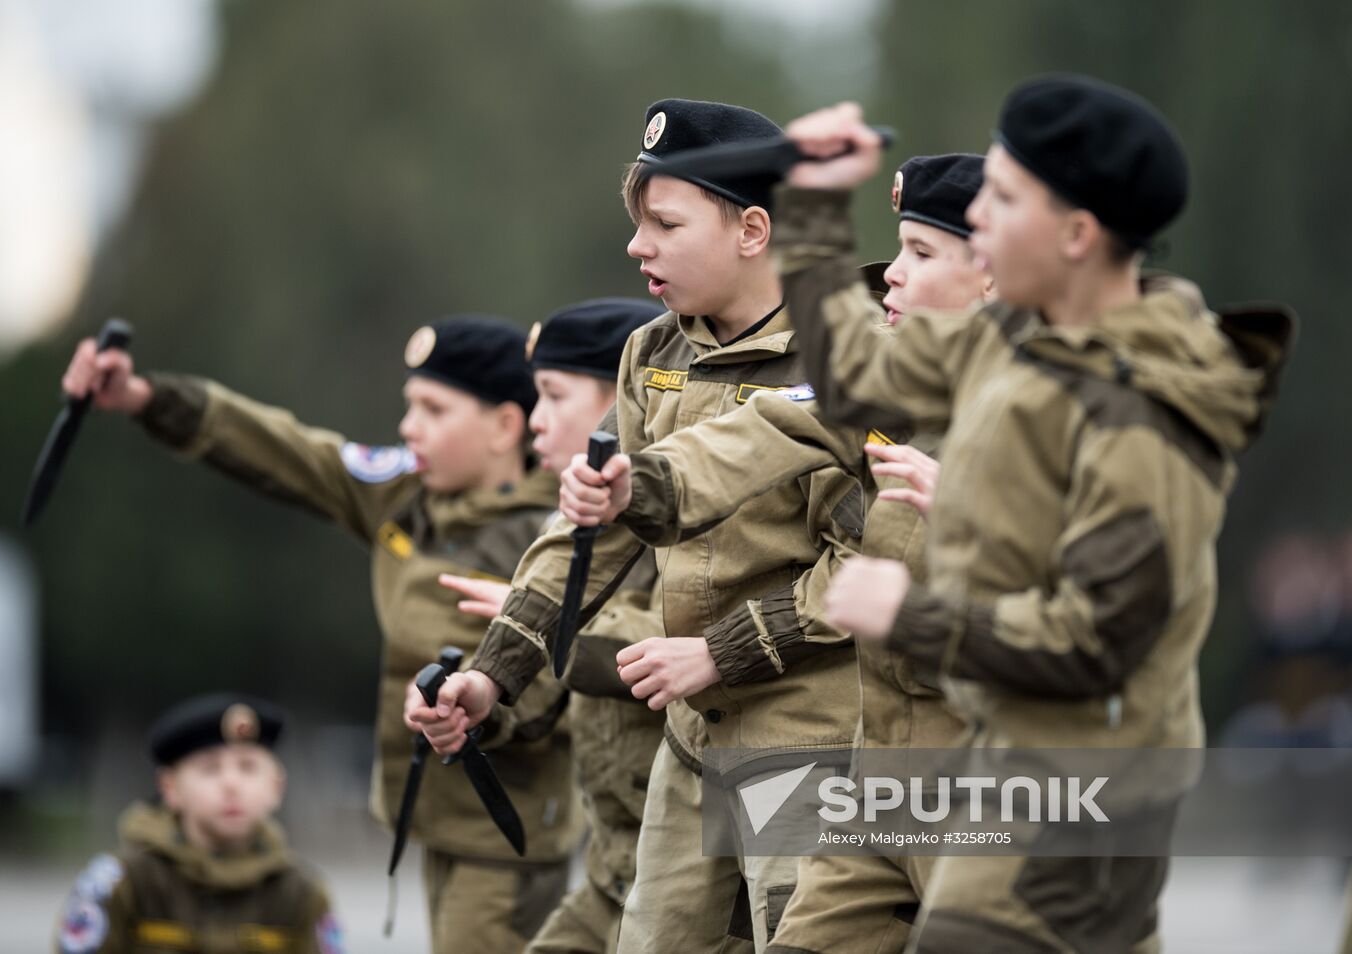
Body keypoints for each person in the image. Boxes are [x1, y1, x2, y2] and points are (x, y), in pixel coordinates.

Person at [760, 76, 1294, 951]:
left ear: (1078, 235)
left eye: (1003, 200)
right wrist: (815, 208)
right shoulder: (1016, 341)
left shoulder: (1143, 418)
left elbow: (1095, 643)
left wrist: (908, 614)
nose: (981, 220)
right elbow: (856, 375)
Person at [410, 98, 866, 952]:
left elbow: (863, 570)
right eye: (637, 224)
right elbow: (594, 529)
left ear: (754, 229)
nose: (636, 246)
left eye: (664, 223)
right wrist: (492, 677)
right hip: (694, 738)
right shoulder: (653, 354)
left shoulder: (845, 355)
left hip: (811, 738)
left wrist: (717, 654)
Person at [557, 153, 991, 954]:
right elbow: (764, 431)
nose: (889, 276)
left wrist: (977, 510)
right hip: (868, 778)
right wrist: (638, 487)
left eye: (921, 255)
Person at [59, 316, 581, 953]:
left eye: (433, 409)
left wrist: (485, 705)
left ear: (504, 426)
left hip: (510, 828)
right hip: (439, 818)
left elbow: (575, 676)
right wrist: (147, 399)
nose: (408, 426)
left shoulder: (555, 534)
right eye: (409, 405)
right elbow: (287, 452)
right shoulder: (407, 497)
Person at [422, 297, 668, 953]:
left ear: (623, 401)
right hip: (615, 871)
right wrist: (480, 708)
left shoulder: (680, 522)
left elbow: (673, 641)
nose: (535, 421)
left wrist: (528, 618)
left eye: (554, 395)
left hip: (687, 869)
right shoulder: (564, 529)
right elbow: (553, 700)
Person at [53, 694, 341, 954]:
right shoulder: (123, 884)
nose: (231, 784)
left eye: (248, 767)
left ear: (276, 787)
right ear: (170, 788)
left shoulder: (299, 893)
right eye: (210, 769)